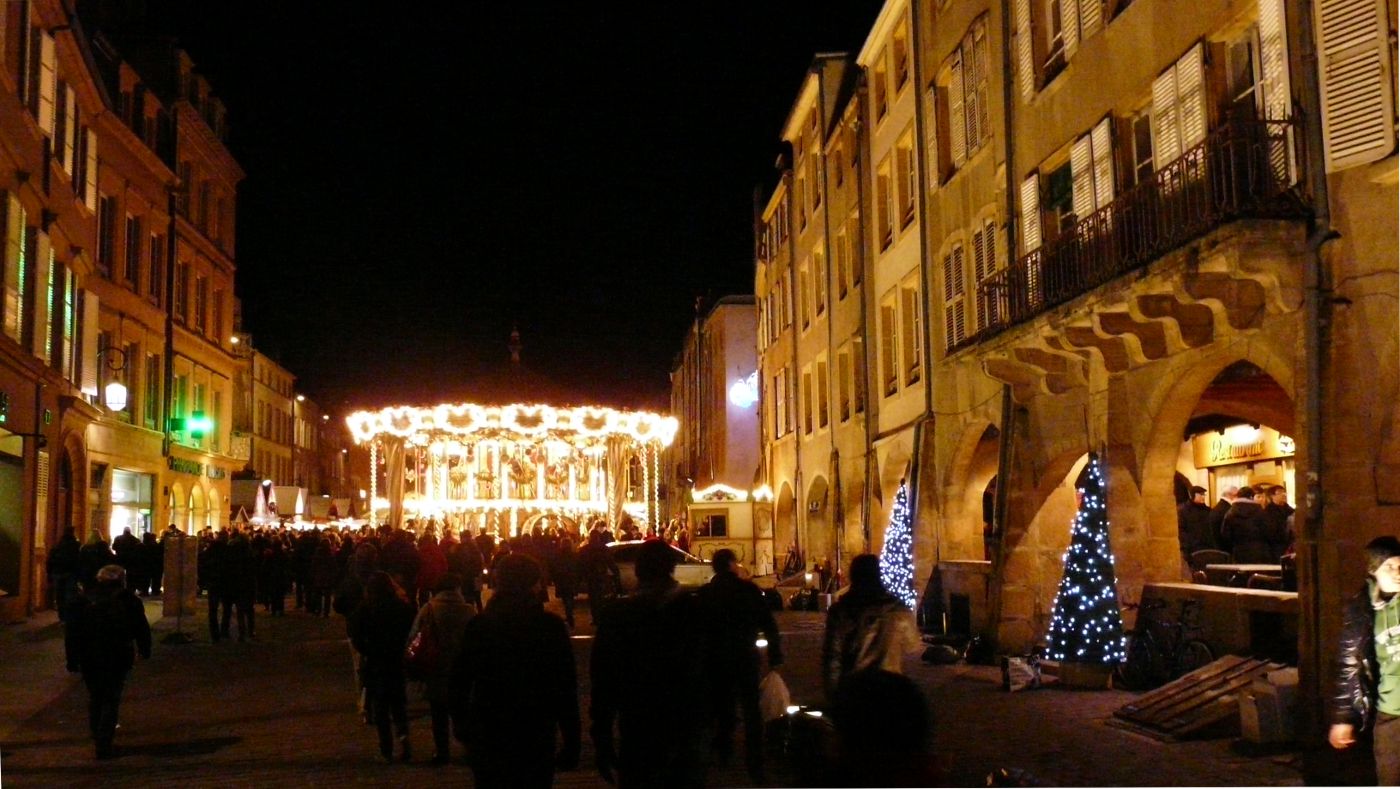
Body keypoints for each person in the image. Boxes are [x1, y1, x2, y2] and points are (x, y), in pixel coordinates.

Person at [451, 554, 580, 788]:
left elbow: (459, 680)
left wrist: (463, 725)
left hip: (490, 728)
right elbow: (565, 686)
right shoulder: (549, 627)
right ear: (533, 584)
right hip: (535, 729)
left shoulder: (480, 625)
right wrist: (571, 737)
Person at [591, 540, 707, 789]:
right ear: (672, 568)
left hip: (637, 722)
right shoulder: (693, 610)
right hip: (683, 723)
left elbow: (603, 680)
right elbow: (710, 669)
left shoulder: (617, 615)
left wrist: (601, 734)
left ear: (637, 570)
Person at [696, 548, 783, 781]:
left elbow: (696, 631)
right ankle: (754, 759)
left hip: (714, 660)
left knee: (721, 706)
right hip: (745, 656)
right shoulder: (749, 591)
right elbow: (769, 624)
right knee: (751, 708)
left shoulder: (705, 594)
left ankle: (723, 751)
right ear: (732, 565)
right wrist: (775, 655)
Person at [1330, 536, 1400, 784]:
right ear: (1373, 572)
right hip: (1390, 716)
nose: (1397, 573)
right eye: (1388, 567)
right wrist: (1343, 718)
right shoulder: (1361, 611)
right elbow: (1350, 665)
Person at [64, 564, 152, 759]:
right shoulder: (130, 600)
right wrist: (145, 649)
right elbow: (141, 627)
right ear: (122, 580)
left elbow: (72, 632)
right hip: (118, 653)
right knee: (111, 698)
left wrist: (72, 658)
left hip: (90, 654)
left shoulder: (84, 599)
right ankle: (104, 740)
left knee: (96, 695)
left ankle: (97, 734)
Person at [822, 554, 922, 704]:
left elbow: (832, 659)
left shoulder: (841, 611)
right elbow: (912, 647)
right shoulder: (899, 611)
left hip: (854, 691)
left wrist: (834, 697)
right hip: (890, 690)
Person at [409, 573, 476, 766]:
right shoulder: (468, 611)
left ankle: (442, 752)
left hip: (436, 667)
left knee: (438, 714)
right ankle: (468, 747)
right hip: (461, 668)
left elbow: (415, 636)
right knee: (461, 711)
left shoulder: (428, 609)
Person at [349, 571, 417, 763]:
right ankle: (404, 740)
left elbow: (355, 633)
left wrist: (367, 649)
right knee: (398, 704)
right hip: (396, 660)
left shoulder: (367, 608)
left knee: (381, 707)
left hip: (376, 661)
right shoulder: (401, 607)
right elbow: (412, 630)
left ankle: (386, 746)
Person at [1221, 486, 1282, 564]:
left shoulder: (1230, 512)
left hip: (1239, 552)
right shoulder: (1260, 511)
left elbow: (1225, 534)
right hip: (1260, 552)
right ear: (1251, 497)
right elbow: (1270, 532)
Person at [47, 527, 82, 620]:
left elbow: (50, 561)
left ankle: (61, 616)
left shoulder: (58, 545)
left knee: (59, 596)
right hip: (71, 573)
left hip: (58, 573)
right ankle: (69, 616)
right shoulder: (76, 545)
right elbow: (79, 560)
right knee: (70, 596)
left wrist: (49, 574)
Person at [1177, 485, 1214, 570]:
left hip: (1207, 547)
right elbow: (1182, 530)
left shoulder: (1207, 510)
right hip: (1193, 548)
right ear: (1193, 495)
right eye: (1200, 494)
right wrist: (1186, 548)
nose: (1203, 497)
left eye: (1204, 494)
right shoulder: (1184, 510)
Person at [549, 535, 581, 629]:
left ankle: (569, 614)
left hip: (562, 579)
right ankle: (569, 613)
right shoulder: (574, 555)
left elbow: (553, 567)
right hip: (570, 579)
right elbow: (578, 567)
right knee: (569, 597)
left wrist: (554, 578)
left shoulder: (558, 555)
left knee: (565, 598)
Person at [1264, 485, 1295, 561]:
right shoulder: (1268, 511)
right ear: (1272, 496)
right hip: (1276, 546)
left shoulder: (1289, 510)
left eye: (1284, 492)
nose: (1284, 494)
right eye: (1280, 492)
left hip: (1290, 545)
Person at [1208, 485, 1239, 554]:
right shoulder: (1229, 510)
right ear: (1229, 495)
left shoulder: (1216, 508)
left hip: (1217, 548)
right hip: (1227, 549)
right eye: (1237, 495)